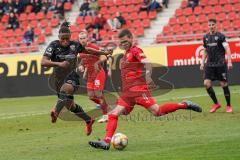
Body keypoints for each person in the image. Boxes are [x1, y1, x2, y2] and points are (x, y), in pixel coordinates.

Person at [88, 29, 202, 150]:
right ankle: (106, 141)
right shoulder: (125, 54)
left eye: (126, 41)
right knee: (113, 114)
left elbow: (147, 63)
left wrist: (148, 77)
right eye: (122, 42)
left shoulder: (136, 50)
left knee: (157, 112)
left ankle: (184, 104)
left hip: (138, 90)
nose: (124, 43)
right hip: (127, 94)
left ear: (131, 38)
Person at [41, 21, 112, 136]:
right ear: (58, 37)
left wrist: (104, 52)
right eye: (62, 39)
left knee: (66, 89)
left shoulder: (75, 45)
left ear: (70, 37)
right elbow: (43, 62)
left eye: (67, 39)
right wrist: (59, 64)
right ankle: (88, 120)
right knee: (70, 106)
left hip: (72, 77)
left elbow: (88, 50)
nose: (65, 41)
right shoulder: (53, 45)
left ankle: (56, 112)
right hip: (58, 79)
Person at [78, 31, 112, 123]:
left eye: (84, 38)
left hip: (98, 73)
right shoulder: (79, 49)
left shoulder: (93, 47)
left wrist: (97, 63)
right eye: (80, 39)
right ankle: (107, 107)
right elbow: (82, 59)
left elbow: (104, 57)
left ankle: (106, 115)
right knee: (91, 97)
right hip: (90, 75)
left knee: (98, 94)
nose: (82, 40)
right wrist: (81, 66)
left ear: (87, 38)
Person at [200, 19, 233, 113]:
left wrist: (229, 61)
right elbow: (205, 50)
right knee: (206, 83)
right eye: (209, 25)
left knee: (223, 84)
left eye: (213, 24)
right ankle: (216, 103)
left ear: (216, 25)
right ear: (208, 26)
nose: (211, 26)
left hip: (220, 64)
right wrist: (202, 62)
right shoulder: (205, 37)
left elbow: (227, 48)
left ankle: (228, 105)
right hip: (209, 64)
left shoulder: (221, 36)